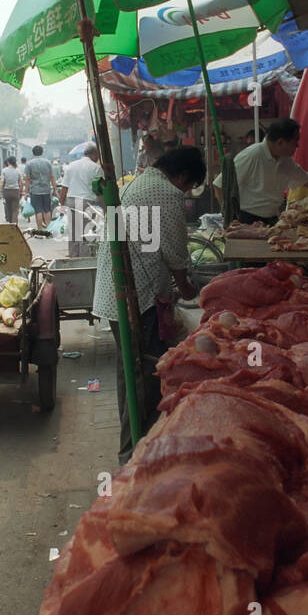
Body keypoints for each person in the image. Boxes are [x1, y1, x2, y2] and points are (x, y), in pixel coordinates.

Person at [92, 145, 204, 466]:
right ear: (181, 176)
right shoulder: (166, 191)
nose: (186, 192)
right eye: (189, 186)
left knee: (131, 372)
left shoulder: (137, 183)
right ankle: (137, 456)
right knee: (143, 375)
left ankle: (132, 449)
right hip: (135, 297)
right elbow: (174, 251)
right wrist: (185, 287)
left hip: (117, 292)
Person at [212, 117, 308, 224]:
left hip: (270, 219)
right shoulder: (253, 155)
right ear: (280, 142)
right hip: (246, 219)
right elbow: (219, 184)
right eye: (295, 141)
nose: (297, 146)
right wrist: (229, 217)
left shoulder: (285, 160)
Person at [58, 143, 103, 258]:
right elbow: (100, 191)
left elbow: (64, 188)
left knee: (73, 233)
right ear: (94, 154)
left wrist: (62, 204)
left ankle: (73, 258)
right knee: (86, 232)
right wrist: (105, 208)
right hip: (87, 203)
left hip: (71, 202)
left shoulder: (71, 166)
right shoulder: (96, 168)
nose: (98, 158)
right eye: (98, 155)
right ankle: (84, 259)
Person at [25, 145, 55, 230]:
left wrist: (26, 191)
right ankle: (49, 229)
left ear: (33, 153)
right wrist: (55, 189)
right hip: (46, 190)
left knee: (38, 211)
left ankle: (40, 230)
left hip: (35, 190)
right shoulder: (48, 163)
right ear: (42, 152)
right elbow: (52, 176)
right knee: (47, 210)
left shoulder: (29, 164)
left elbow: (27, 178)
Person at [0, 156, 23, 223]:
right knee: (15, 210)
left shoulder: (4, 170)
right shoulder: (18, 171)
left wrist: (0, 191)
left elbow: (2, 181)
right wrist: (21, 191)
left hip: (7, 191)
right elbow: (21, 183)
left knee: (8, 208)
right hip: (15, 191)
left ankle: (10, 223)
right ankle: (14, 224)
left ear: (8, 162)